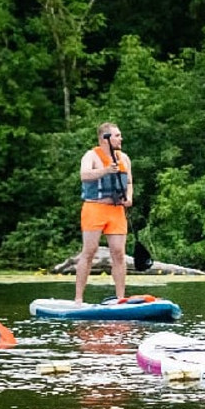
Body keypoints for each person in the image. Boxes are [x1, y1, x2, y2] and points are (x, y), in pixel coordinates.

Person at [74, 122, 133, 304]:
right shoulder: (91, 156)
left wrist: (129, 198)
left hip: (116, 210)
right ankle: (78, 298)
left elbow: (129, 182)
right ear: (105, 138)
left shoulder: (124, 158)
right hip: (94, 208)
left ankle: (121, 297)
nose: (120, 138)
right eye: (117, 135)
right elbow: (84, 175)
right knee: (89, 252)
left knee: (118, 253)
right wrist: (105, 170)